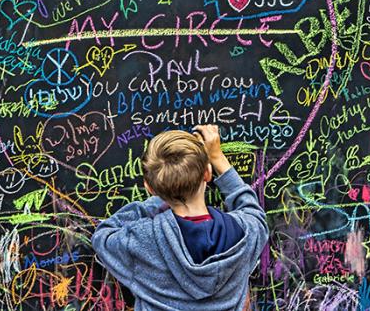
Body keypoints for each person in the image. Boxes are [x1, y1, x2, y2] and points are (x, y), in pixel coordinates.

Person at [91, 124, 269, 310]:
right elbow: (253, 211)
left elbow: (103, 236)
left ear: (150, 188)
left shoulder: (142, 239)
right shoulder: (243, 232)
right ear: (207, 174)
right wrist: (217, 157)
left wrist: (160, 196)